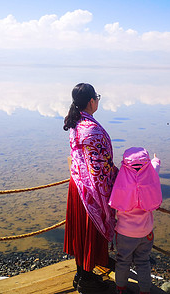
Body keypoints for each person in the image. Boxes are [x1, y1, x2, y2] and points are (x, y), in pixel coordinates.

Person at [63, 83, 118, 294]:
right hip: (90, 192)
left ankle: (81, 274)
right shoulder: (92, 129)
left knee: (81, 233)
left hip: (77, 186)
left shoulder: (77, 123)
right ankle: (86, 280)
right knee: (89, 232)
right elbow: (101, 166)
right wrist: (118, 176)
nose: (98, 101)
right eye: (97, 98)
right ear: (91, 102)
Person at [109, 147, 163, 294]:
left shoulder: (120, 178)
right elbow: (155, 167)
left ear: (125, 163)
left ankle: (121, 288)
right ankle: (145, 291)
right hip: (146, 232)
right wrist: (155, 159)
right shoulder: (151, 176)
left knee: (123, 261)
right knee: (143, 262)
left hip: (125, 233)